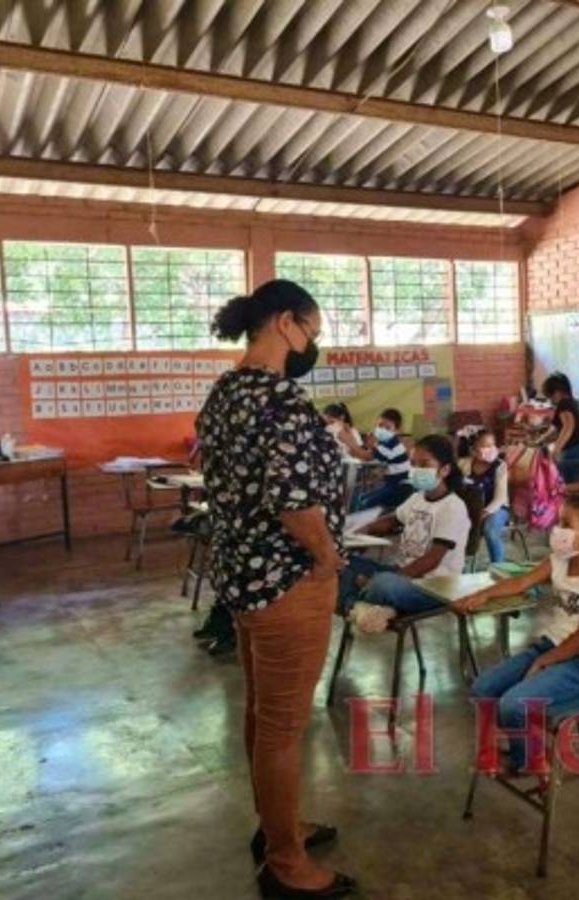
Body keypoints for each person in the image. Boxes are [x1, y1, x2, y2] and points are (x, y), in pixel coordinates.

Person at [196, 279, 355, 899]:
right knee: (284, 727)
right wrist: (327, 558)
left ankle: (277, 826)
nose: (313, 344)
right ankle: (288, 864)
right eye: (312, 331)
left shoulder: (226, 391)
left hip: (242, 577)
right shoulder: (281, 400)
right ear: (286, 323)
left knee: (263, 715)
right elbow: (294, 502)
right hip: (289, 581)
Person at [456, 495, 579, 774]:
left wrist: (545, 661)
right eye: (559, 521)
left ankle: (527, 761)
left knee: (513, 705)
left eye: (566, 524)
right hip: (551, 647)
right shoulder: (560, 559)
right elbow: (522, 581)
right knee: (482, 689)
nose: (557, 529)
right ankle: (530, 748)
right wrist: (483, 595)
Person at [338, 434, 480, 633]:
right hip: (404, 574)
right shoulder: (417, 498)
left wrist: (392, 577)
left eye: (424, 464)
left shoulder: (452, 507)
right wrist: (357, 529)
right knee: (339, 564)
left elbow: (432, 560)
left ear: (445, 470)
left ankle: (359, 603)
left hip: (435, 586)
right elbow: (391, 521)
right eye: (413, 464)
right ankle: (362, 608)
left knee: (383, 584)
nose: (416, 470)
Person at [344, 407, 412, 512]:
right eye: (380, 425)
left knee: (365, 503)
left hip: (399, 488)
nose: (382, 430)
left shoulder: (392, 445)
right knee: (361, 498)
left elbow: (366, 456)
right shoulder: (384, 442)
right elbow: (363, 455)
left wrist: (348, 440)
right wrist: (354, 442)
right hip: (390, 483)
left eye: (388, 428)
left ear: (397, 430)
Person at [461, 428, 511, 564]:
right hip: (472, 508)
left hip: (496, 509)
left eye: (492, 445)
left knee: (490, 530)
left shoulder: (500, 466)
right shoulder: (464, 464)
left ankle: (498, 567)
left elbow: (500, 498)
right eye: (485, 446)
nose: (491, 449)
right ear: (473, 449)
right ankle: (458, 565)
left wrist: (484, 512)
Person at [542, 372, 579, 484]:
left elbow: (568, 426)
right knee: (576, 486)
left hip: (573, 451)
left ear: (557, 392)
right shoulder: (571, 403)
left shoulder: (563, 404)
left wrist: (556, 449)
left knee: (567, 487)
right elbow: (555, 429)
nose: (551, 400)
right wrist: (540, 440)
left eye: (550, 396)